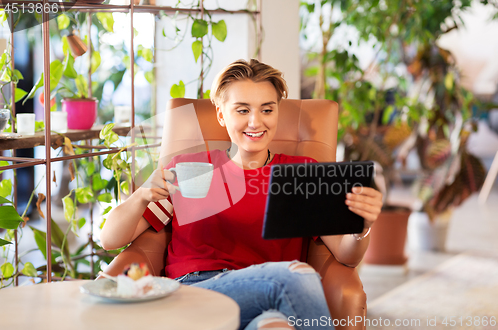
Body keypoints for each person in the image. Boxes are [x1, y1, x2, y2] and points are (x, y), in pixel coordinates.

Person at [100, 59, 383, 330]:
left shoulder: (301, 173)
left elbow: (346, 254)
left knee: (277, 327)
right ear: (222, 115)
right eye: (243, 110)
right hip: (197, 293)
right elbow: (111, 239)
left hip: (267, 303)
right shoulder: (190, 169)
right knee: (296, 278)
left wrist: (362, 225)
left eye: (267, 110)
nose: (255, 122)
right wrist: (140, 196)